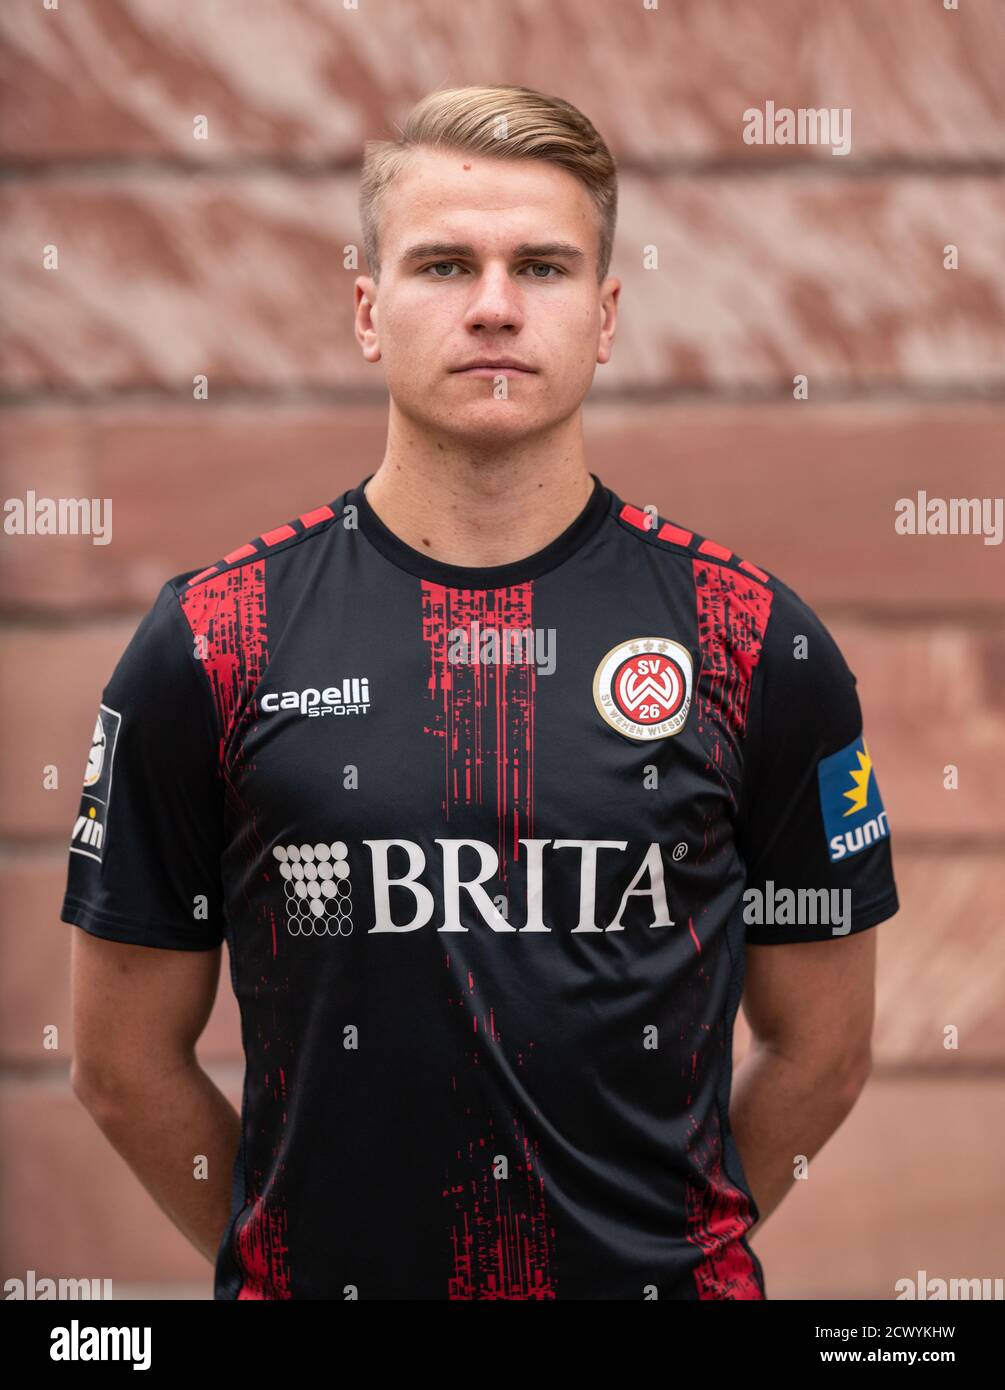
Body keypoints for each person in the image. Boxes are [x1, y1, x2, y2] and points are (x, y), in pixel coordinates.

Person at [60, 84, 899, 1301]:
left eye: (544, 268)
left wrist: (668, 1259)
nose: (496, 306)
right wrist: (285, 1266)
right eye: (445, 263)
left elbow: (824, 1051)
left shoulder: (753, 639)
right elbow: (121, 1064)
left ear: (606, 316)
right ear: (367, 311)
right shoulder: (212, 638)